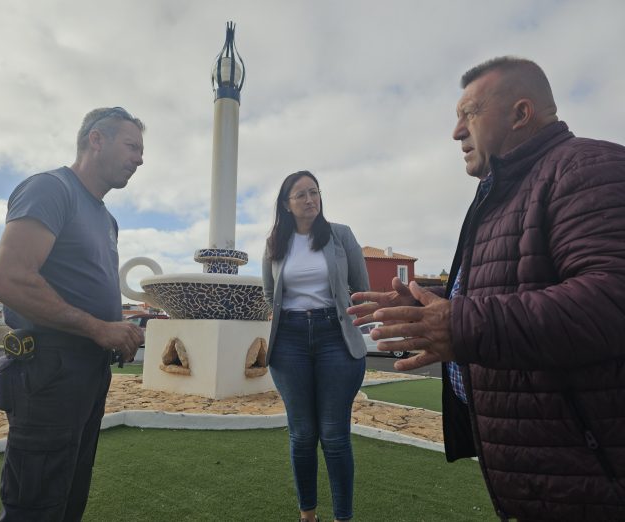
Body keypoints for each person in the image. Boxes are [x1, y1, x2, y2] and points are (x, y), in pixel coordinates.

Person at [349, 56, 625, 521]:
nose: (455, 132)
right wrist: (430, 303)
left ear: (521, 114)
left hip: (592, 482)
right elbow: (518, 279)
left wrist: (458, 323)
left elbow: (611, 297)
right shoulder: (503, 192)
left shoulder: (589, 167)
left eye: (469, 113)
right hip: (546, 476)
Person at [0, 106, 146, 521]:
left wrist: (118, 330)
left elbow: (84, 287)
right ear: (96, 139)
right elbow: (10, 279)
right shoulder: (51, 189)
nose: (140, 159)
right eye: (132, 146)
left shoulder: (107, 219)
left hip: (88, 371)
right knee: (35, 506)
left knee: (68, 498)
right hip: (48, 370)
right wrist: (99, 328)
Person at [262, 170, 370, 522]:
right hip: (289, 340)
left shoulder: (341, 236)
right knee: (303, 435)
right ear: (286, 204)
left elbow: (361, 286)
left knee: (335, 435)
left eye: (314, 192)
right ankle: (307, 515)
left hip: (334, 337)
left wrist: (347, 315)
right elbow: (268, 292)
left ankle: (343, 517)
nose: (310, 200)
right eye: (301, 195)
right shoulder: (275, 242)